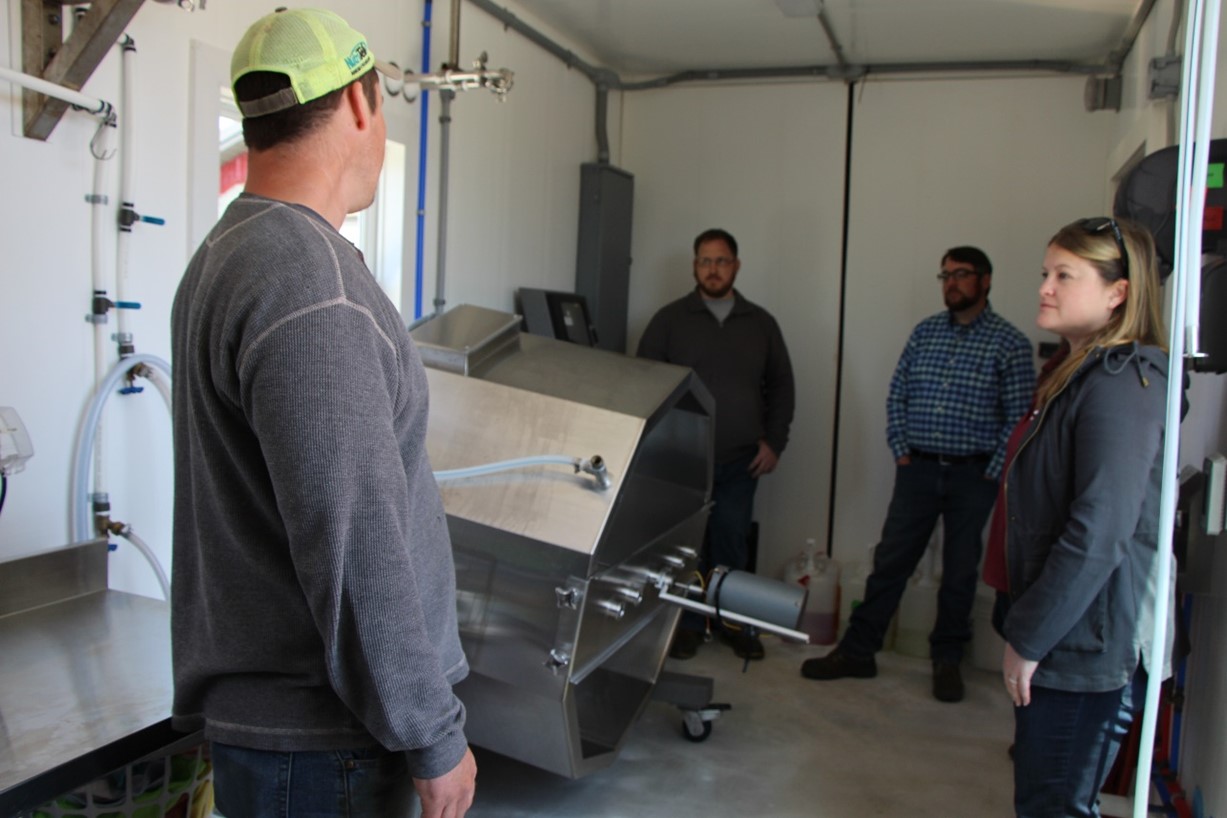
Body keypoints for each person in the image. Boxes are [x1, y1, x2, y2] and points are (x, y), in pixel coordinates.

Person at [170, 9, 476, 817]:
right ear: (359, 104)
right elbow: (354, 537)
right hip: (325, 746)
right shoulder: (309, 281)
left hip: (284, 740)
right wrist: (433, 733)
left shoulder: (225, 255)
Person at [982, 217, 1170, 817]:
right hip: (1061, 626)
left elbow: (1100, 530)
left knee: (1054, 804)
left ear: (1119, 292)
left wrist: (1032, 633)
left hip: (1085, 642)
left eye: (1065, 275)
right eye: (1045, 273)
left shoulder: (1121, 385)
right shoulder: (1075, 371)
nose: (1045, 287)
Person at [801, 246, 1035, 702]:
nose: (951, 282)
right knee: (891, 561)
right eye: (945, 274)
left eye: (962, 274)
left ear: (986, 281)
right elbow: (898, 395)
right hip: (919, 470)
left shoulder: (1009, 343)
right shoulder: (925, 333)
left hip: (973, 476)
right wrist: (902, 451)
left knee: (960, 571)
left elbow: (1017, 418)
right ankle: (858, 652)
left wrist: (990, 474)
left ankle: (946, 660)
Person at [637, 228, 795, 661]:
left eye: (721, 261)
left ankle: (734, 625)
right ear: (694, 266)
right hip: (682, 461)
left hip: (741, 460)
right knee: (687, 548)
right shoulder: (669, 320)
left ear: (736, 266)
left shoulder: (760, 324)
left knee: (730, 544)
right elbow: (644, 382)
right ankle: (686, 625)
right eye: (705, 261)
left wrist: (774, 442)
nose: (713, 269)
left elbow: (782, 386)